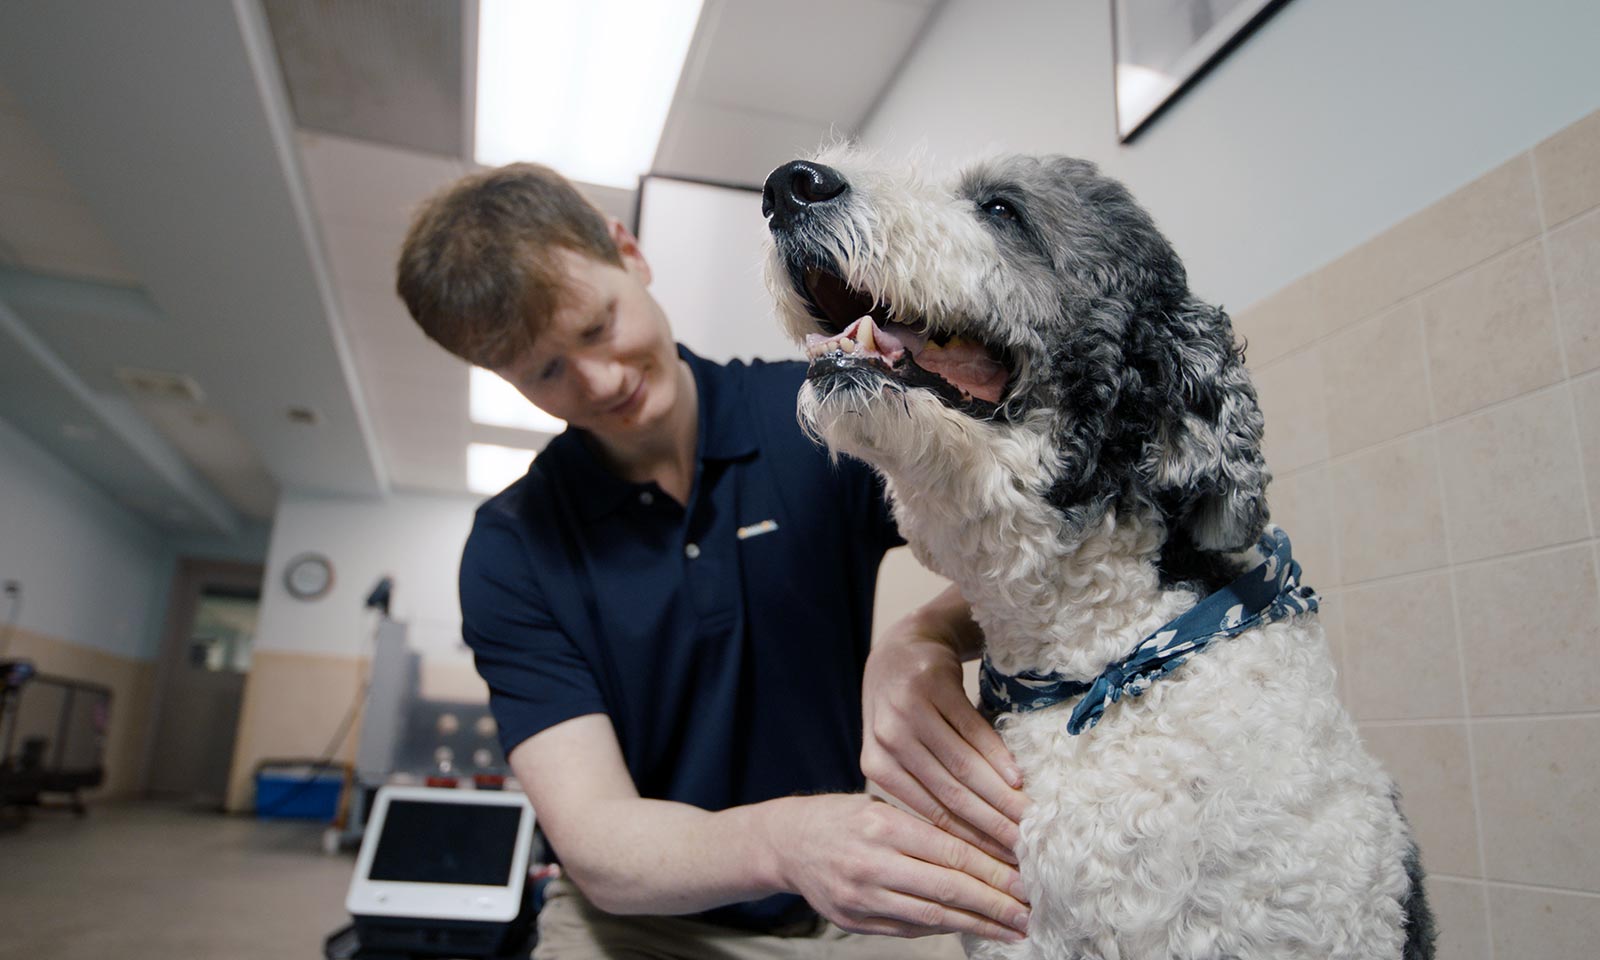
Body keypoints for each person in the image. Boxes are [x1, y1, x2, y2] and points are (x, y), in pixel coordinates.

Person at [395, 163, 1031, 959]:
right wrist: (784, 841)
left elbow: (1030, 545)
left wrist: (925, 637)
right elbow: (597, 842)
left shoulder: (819, 412)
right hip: (643, 922)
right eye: (545, 372)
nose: (600, 380)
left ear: (629, 252)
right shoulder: (512, 548)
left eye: (596, 327)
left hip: (848, 903)